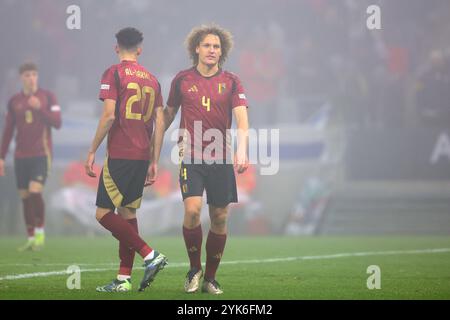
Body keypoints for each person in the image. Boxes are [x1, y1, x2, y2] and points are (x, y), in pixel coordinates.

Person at [164, 24, 249, 294]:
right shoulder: (182, 80)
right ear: (196, 49)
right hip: (190, 155)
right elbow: (167, 114)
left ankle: (210, 278)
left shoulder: (232, 81)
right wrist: (151, 139)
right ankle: (193, 270)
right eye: (207, 45)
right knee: (192, 211)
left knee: (220, 217)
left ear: (221, 51)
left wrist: (242, 148)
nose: (212, 50)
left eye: (216, 46)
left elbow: (241, 118)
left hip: (221, 157)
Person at [85, 27, 167, 292]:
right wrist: (154, 161)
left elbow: (109, 116)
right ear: (140, 49)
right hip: (142, 155)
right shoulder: (153, 80)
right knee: (127, 213)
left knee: (102, 213)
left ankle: (150, 254)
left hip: (120, 153)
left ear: (116, 47)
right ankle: (123, 279)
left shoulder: (114, 72)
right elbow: (160, 122)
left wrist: (92, 150)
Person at [0, 62, 62, 251]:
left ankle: (40, 233)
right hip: (20, 156)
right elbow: (9, 130)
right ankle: (30, 236)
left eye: (34, 74)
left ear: (38, 76)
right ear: (21, 78)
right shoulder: (14, 101)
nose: (31, 78)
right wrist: (1, 157)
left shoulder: (48, 97)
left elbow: (57, 123)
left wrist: (39, 109)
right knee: (25, 197)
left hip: (41, 154)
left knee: (35, 192)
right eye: (27, 75)